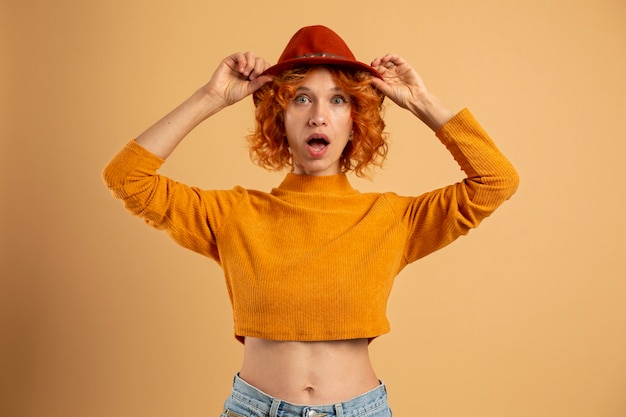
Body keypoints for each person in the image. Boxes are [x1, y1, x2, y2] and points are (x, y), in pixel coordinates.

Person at [103, 25, 519, 417]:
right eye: (301, 98)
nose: (319, 115)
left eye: (338, 100)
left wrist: (421, 102)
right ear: (279, 118)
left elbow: (496, 180)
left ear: (355, 120)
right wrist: (211, 97)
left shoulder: (394, 218)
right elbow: (127, 177)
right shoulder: (233, 214)